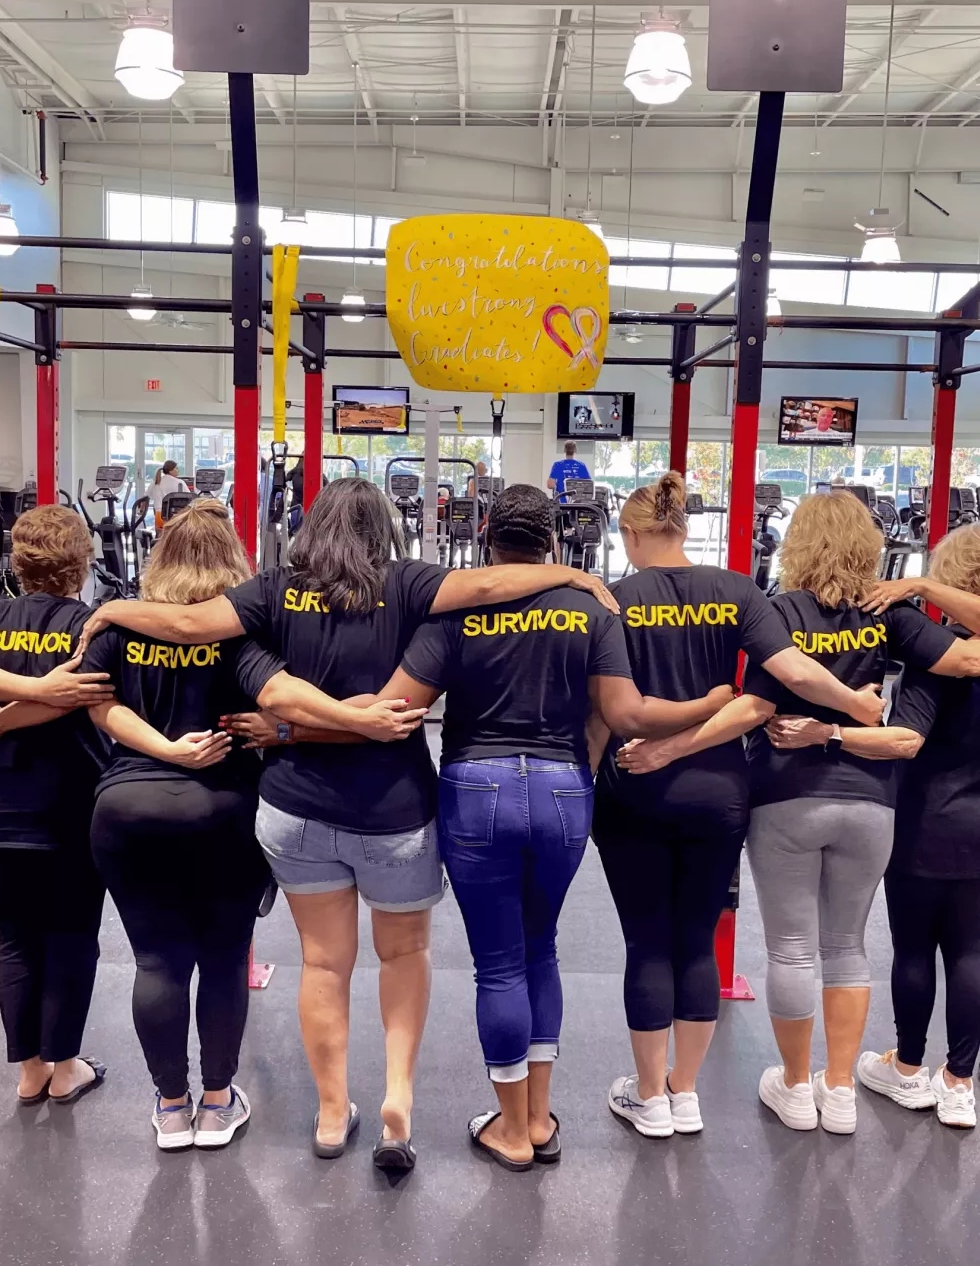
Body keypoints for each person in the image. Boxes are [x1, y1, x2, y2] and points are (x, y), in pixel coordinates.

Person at [76, 477, 618, 1170]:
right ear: (383, 527)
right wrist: (573, 571)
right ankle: (397, 1096)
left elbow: (186, 625)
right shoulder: (410, 582)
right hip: (394, 810)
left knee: (325, 964)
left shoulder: (275, 588)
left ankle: (333, 1113)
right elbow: (488, 589)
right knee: (403, 956)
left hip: (295, 808)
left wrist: (112, 608)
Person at [367, 484, 736, 1171]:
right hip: (566, 791)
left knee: (499, 964)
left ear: (485, 538)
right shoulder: (592, 608)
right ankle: (537, 1119)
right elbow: (626, 714)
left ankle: (510, 1129)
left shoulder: (459, 611)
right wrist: (709, 702)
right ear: (555, 544)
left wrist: (295, 717)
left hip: (478, 789)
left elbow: (395, 706)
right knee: (542, 950)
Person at [79, 498, 425, 1152]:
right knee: (221, 959)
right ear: (232, 559)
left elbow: (99, 708)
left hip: (127, 810)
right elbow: (284, 700)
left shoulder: (116, 630)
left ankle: (171, 1109)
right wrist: (341, 723)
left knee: (157, 962)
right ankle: (216, 1104)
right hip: (224, 812)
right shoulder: (239, 636)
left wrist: (160, 746)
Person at [587, 473, 888, 1141]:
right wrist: (856, 705)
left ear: (632, 535)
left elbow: (602, 712)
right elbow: (794, 674)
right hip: (719, 794)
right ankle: (685, 1095)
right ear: (683, 530)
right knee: (695, 942)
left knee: (647, 944)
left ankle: (649, 1097)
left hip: (634, 786)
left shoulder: (616, 599)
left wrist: (580, 786)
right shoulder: (738, 591)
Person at [737, 490, 980, 1134]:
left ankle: (795, 1087)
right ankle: (840, 1091)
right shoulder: (890, 615)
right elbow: (971, 655)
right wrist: (917, 588)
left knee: (792, 948)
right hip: (871, 801)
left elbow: (753, 701)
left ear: (796, 544)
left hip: (787, 793)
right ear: (870, 548)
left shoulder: (777, 609)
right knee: (847, 948)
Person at [0, 505, 114, 1105]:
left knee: (15, 937)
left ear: (17, 564)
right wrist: (40, 694)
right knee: (69, 936)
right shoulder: (90, 627)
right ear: (81, 564)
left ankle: (29, 1071)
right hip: (68, 806)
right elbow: (82, 696)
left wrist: (0, 720)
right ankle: (65, 1071)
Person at [149, 460, 190, 529]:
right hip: (177, 518)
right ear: (170, 471)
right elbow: (190, 498)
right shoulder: (180, 482)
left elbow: (148, 496)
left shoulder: (157, 482)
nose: (178, 470)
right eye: (176, 468)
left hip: (159, 517)